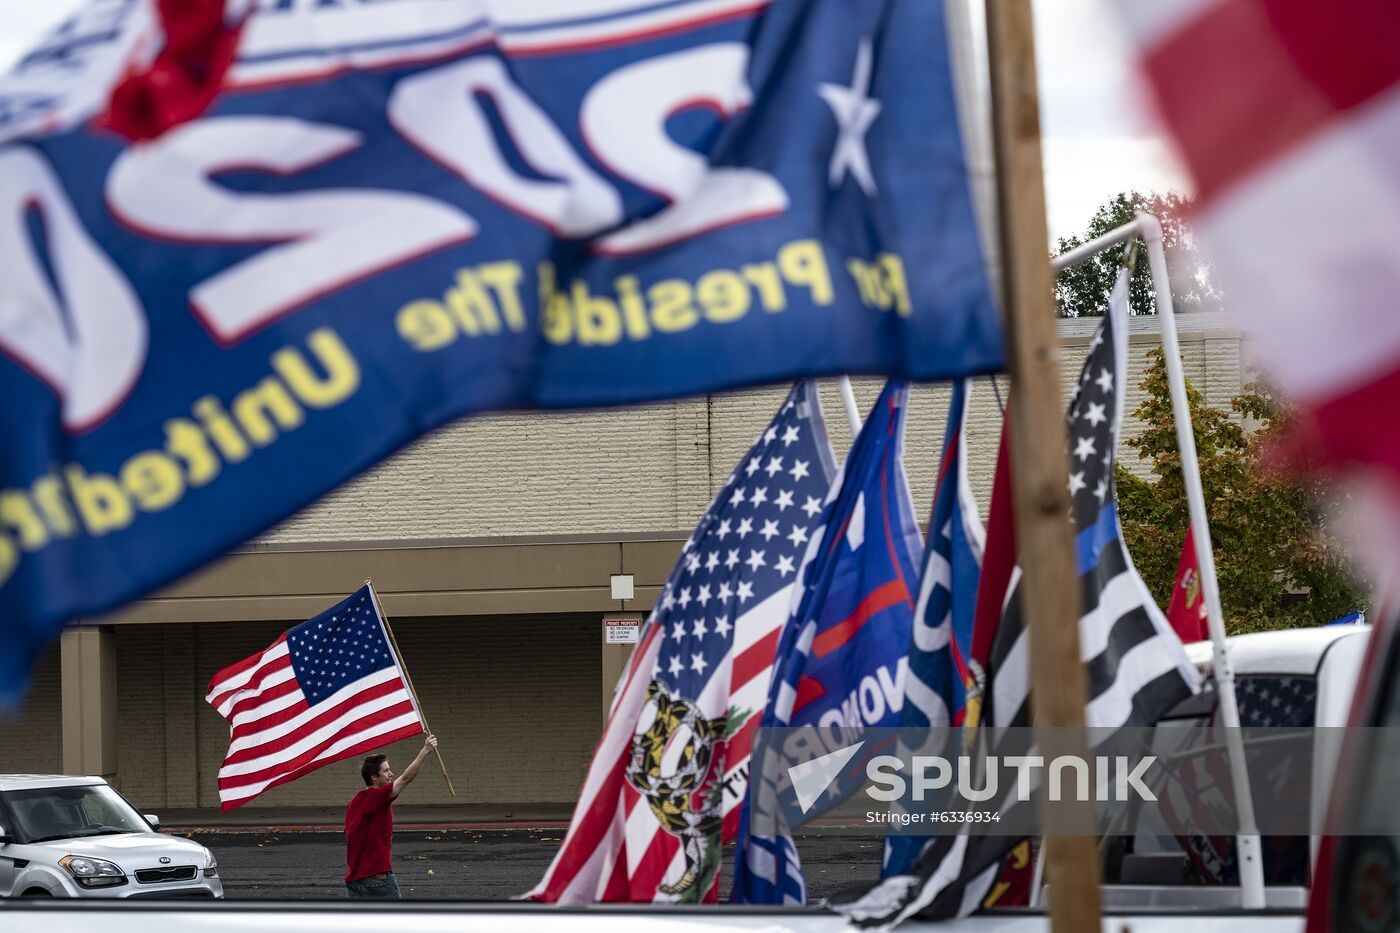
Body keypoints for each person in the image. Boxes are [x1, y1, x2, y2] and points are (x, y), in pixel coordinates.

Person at [344, 733, 438, 898]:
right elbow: (407, 778)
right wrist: (425, 750)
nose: (391, 774)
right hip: (377, 880)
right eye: (386, 771)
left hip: (355, 882)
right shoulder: (378, 797)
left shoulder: (355, 800)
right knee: (396, 922)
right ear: (374, 777)